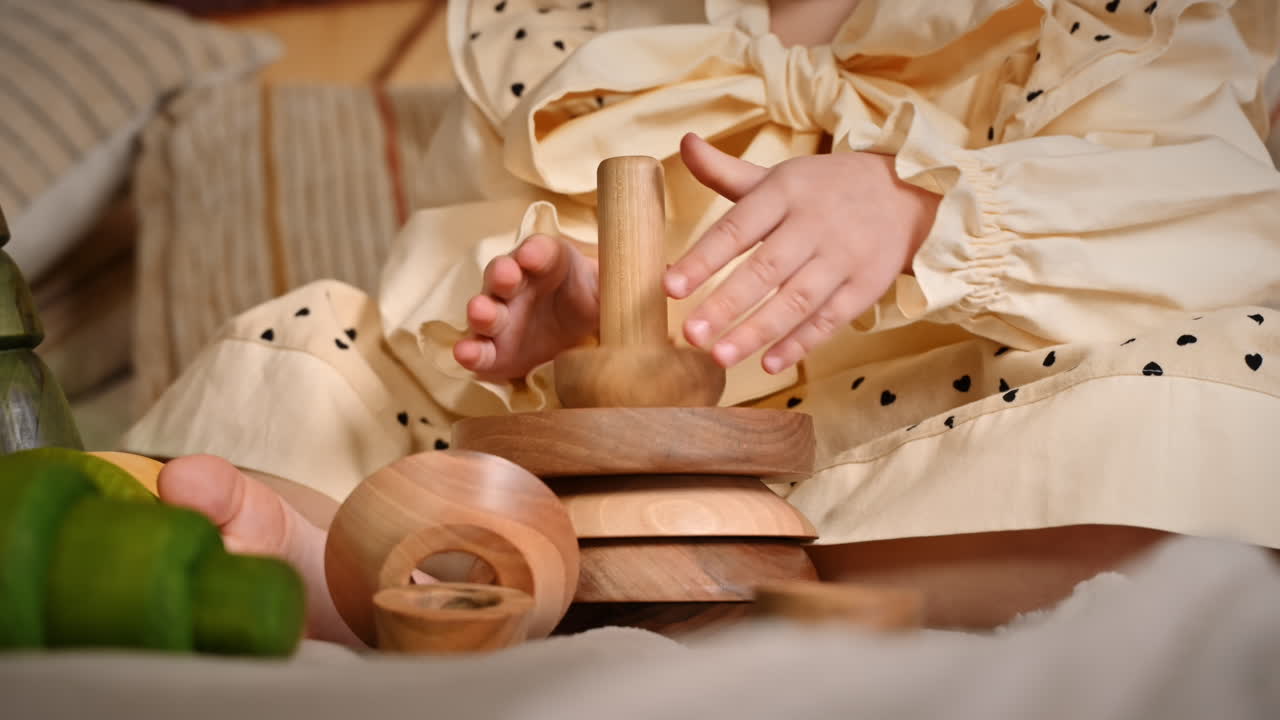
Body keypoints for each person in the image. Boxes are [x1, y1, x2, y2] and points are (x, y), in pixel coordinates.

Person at [126, 0, 1280, 644]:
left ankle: (733, 606)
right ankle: (343, 556)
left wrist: (928, 210)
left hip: (933, 438)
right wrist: (561, 320)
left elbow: (1206, 204)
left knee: (1182, 410)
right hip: (608, 480)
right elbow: (463, 242)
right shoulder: (570, 30)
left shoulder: (1099, 16)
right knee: (332, 365)